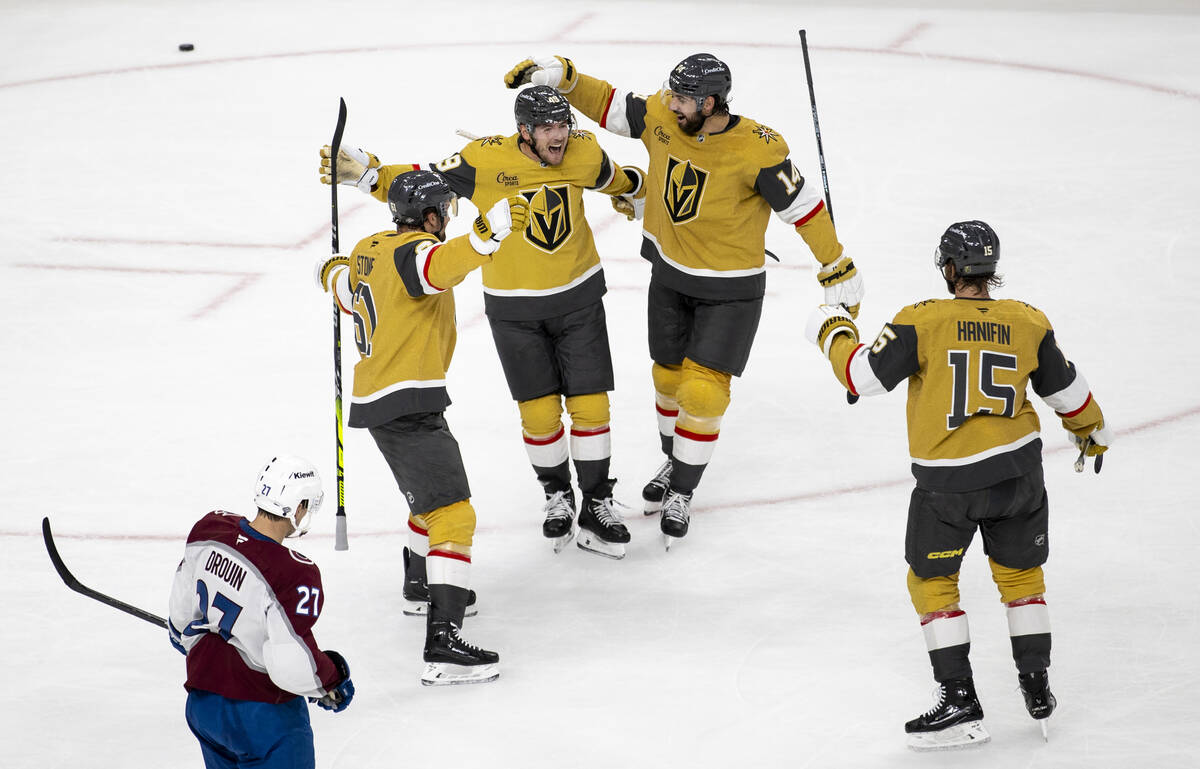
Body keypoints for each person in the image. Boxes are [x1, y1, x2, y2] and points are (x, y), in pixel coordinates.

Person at [503, 53, 865, 548]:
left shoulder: (758, 147)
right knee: (668, 380)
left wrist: (835, 263)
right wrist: (565, 78)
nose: (669, 103)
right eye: (670, 94)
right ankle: (674, 461)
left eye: (682, 98)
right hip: (670, 275)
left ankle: (684, 490)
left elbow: (803, 208)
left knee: (704, 393)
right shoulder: (665, 115)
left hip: (731, 288)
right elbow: (614, 107)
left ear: (710, 103)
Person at [803, 221, 1112, 750]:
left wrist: (832, 327)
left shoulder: (921, 320)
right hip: (1020, 478)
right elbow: (1068, 391)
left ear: (948, 269)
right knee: (1021, 579)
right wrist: (1092, 432)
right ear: (992, 270)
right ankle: (1036, 686)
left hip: (949, 488)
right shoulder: (1029, 321)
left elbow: (861, 377)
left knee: (932, 583)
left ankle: (960, 702)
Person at [319, 86, 646, 561]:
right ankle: (558, 495)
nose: (560, 135)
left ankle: (596, 503)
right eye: (549, 128)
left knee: (591, 407)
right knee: (539, 415)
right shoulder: (482, 159)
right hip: (514, 309)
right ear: (525, 131)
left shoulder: (582, 150)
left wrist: (635, 191)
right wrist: (370, 174)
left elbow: (614, 178)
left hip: (578, 296)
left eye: (564, 125)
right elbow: (426, 185)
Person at [316, 169, 525, 685]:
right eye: (445, 212)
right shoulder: (416, 253)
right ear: (429, 216)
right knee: (454, 516)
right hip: (406, 403)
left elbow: (341, 284)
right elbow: (440, 267)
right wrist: (486, 236)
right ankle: (442, 644)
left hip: (386, 401)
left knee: (430, 501)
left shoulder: (369, 247)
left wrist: (327, 269)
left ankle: (418, 584)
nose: (448, 219)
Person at [168, 455, 355, 769]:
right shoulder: (294, 572)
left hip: (204, 706)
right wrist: (331, 679)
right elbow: (292, 662)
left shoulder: (210, 529)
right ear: (297, 507)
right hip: (263, 716)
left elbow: (180, 621)